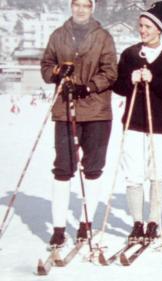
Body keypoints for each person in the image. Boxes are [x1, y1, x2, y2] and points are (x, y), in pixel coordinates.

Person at [40, 0, 117, 247]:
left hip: (96, 111)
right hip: (65, 110)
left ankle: (86, 223)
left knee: (92, 168)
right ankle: (59, 228)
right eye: (76, 4)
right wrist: (56, 73)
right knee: (63, 167)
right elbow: (45, 65)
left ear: (92, 8)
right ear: (71, 6)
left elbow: (110, 72)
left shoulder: (103, 37)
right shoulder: (59, 35)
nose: (80, 9)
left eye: (85, 5)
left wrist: (88, 86)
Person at [113, 1, 162, 243]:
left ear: (159, 28)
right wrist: (130, 79)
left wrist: (153, 79)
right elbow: (118, 86)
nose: (142, 30)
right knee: (133, 174)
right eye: (140, 25)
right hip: (134, 122)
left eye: (147, 26)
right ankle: (137, 222)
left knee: (157, 172)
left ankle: (154, 220)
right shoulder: (130, 54)